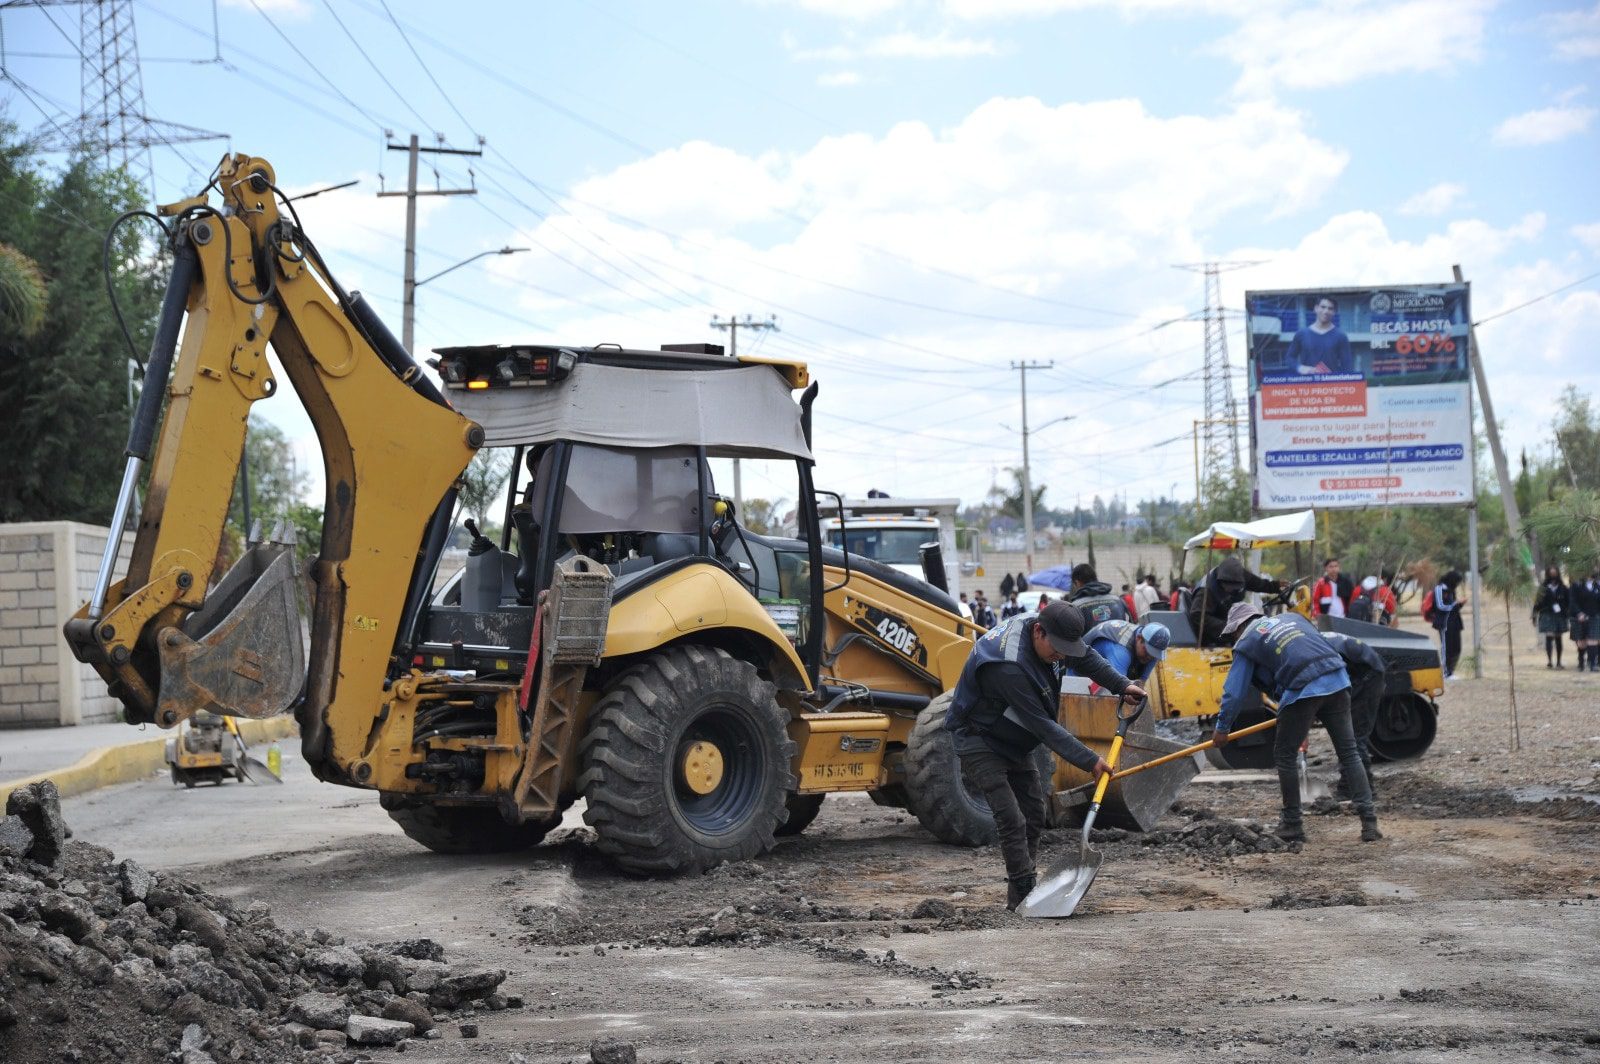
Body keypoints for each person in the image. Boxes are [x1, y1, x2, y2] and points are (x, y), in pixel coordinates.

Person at [944, 602, 1145, 909]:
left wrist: (1122, 685)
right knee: (1011, 818)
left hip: (1012, 735)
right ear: (1039, 632)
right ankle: (1023, 894)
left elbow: (1087, 657)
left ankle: (1023, 892)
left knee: (1035, 812)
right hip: (979, 738)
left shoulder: (1042, 631)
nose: (1061, 656)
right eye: (1058, 649)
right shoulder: (1008, 666)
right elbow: (1043, 727)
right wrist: (1091, 761)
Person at [1212, 603, 1380, 843]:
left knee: (1285, 755)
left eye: (1233, 633)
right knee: (1349, 753)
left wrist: (1222, 728)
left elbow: (1234, 692)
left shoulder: (1247, 640)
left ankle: (1292, 824)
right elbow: (1308, 651)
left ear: (1238, 627)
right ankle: (1370, 823)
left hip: (1304, 686)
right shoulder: (1293, 618)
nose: (1234, 638)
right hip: (1338, 680)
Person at [1320, 631, 1387, 797]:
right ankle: (1351, 788)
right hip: (1358, 670)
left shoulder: (1311, 650)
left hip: (1368, 675)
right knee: (1348, 737)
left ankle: (1361, 791)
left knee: (1354, 737)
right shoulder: (1310, 642)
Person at [1188, 556, 1284, 646]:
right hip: (1212, 631)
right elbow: (1197, 614)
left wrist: (1276, 586)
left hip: (1230, 618)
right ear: (1221, 581)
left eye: (1235, 588)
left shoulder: (1239, 575)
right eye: (1229, 588)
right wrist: (1229, 629)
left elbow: (1258, 584)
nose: (1232, 591)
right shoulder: (1206, 591)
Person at [1079, 619, 1171, 685]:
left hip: (1106, 669)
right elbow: (1118, 689)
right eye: (1148, 652)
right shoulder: (1121, 652)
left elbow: (1141, 683)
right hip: (1079, 672)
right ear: (1139, 638)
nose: (1150, 658)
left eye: (1154, 654)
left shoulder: (1150, 648)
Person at [1286, 295, 1353, 376]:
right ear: (1316, 308)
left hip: (1331, 386)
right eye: (1323, 307)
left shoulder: (1341, 336)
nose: (1326, 311)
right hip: (1306, 385)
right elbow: (1290, 358)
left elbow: (1347, 366)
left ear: (1334, 312)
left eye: (1330, 308)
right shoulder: (1301, 334)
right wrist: (1300, 368)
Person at [1430, 570, 1465, 678]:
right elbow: (1440, 606)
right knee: (1447, 648)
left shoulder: (1451, 590)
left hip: (1455, 623)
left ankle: (1451, 671)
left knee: (1456, 648)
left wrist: (1460, 605)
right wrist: (1456, 604)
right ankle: (1445, 673)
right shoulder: (1439, 589)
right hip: (1444, 624)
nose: (1457, 585)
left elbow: (1453, 607)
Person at [1533, 566, 1569, 670]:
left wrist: (1567, 613)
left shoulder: (1563, 588)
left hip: (1559, 615)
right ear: (1548, 575)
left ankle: (1558, 662)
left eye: (1555, 574)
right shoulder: (1543, 588)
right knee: (1549, 636)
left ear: (1558, 574)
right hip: (1546, 614)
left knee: (1558, 638)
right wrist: (1534, 615)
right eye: (1551, 574)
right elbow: (1537, 602)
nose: (1553, 576)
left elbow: (1568, 602)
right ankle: (1549, 661)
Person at [1570, 570, 1600, 673]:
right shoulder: (1576, 585)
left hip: (1594, 616)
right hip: (1580, 616)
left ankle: (1592, 664)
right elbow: (1572, 601)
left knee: (1593, 640)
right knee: (1581, 642)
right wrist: (1579, 613)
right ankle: (1581, 662)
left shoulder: (1597, 585)